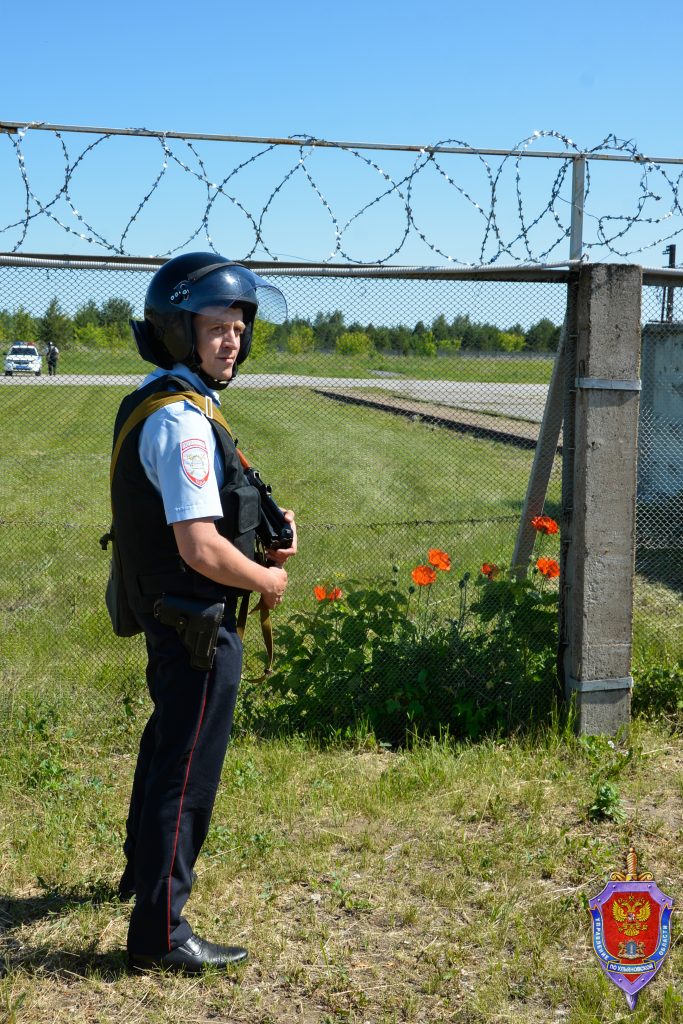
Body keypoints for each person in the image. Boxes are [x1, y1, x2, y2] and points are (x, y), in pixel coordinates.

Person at [110, 252, 296, 974]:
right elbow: (197, 547)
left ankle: (139, 874)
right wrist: (265, 581)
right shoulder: (185, 423)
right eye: (217, 327)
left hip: (174, 614)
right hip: (197, 623)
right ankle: (159, 931)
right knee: (188, 775)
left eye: (240, 327)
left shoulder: (164, 400)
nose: (233, 341)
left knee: (166, 749)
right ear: (178, 332)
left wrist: (264, 525)